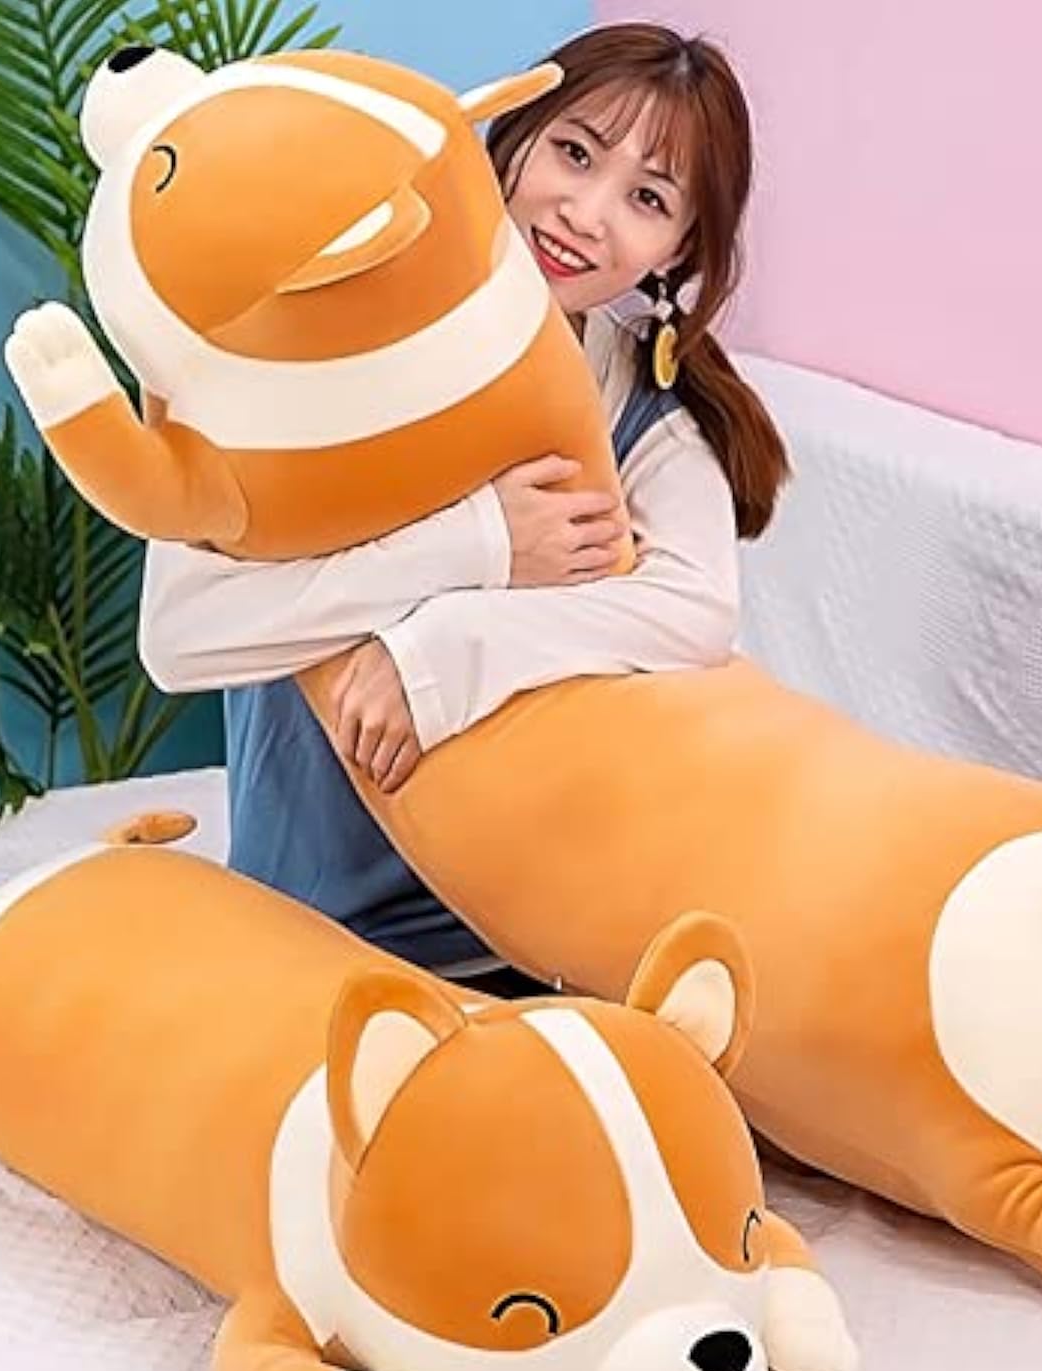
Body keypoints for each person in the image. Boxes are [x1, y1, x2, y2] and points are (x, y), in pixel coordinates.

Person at [138, 22, 789, 993]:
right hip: (307, 942)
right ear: (511, 137)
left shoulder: (650, 414)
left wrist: (447, 651)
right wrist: (480, 545)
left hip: (541, 950)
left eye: (648, 199)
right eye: (575, 153)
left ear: (679, 247)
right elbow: (180, 633)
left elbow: (698, 611)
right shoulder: (320, 342)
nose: (587, 214)